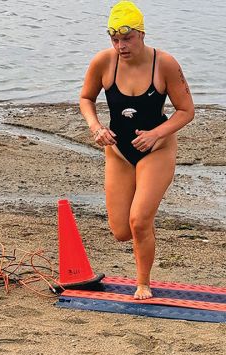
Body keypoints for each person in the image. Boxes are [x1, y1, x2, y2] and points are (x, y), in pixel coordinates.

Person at [80, 1, 194, 299]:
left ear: (141, 34)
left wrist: (157, 133)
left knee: (139, 220)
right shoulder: (103, 62)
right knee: (121, 231)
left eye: (127, 38)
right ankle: (143, 226)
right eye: (115, 40)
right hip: (118, 152)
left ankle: (143, 282)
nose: (121, 46)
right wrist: (96, 128)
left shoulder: (164, 63)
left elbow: (186, 111)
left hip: (156, 149)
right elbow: (86, 99)